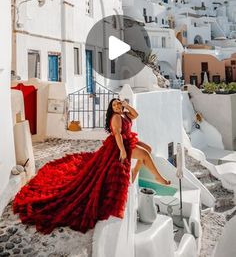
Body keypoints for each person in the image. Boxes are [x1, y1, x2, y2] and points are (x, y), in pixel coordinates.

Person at [13, 98, 170, 234]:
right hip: (120, 145)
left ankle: (136, 170)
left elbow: (136, 115)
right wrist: (122, 151)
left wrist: (126, 106)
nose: (116, 106)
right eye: (114, 105)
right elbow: (117, 135)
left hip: (129, 140)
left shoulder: (124, 113)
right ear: (111, 108)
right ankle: (158, 177)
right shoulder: (116, 117)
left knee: (148, 149)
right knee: (145, 154)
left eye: (118, 104)